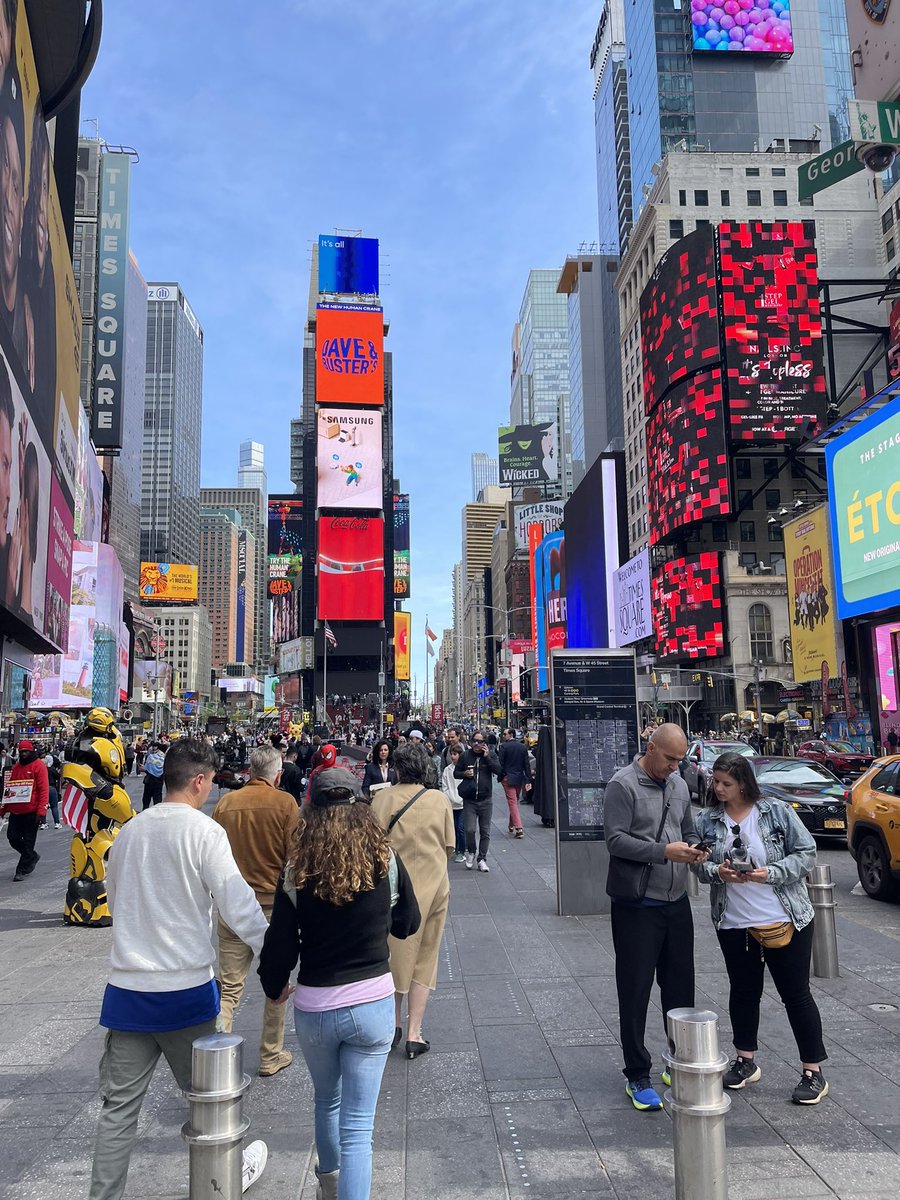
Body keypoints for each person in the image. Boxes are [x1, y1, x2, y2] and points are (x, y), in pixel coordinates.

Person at [88, 739, 271, 1199]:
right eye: (209, 782)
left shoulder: (129, 833)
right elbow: (238, 905)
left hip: (127, 994)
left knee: (117, 1112)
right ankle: (222, 1179)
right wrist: (274, 957)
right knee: (212, 1105)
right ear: (198, 781)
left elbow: (115, 893)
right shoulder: (204, 833)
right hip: (187, 993)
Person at [258, 767, 420, 1200]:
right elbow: (408, 923)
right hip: (371, 1005)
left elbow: (279, 946)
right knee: (359, 1126)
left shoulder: (297, 868)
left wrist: (274, 987)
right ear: (361, 807)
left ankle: (329, 1186)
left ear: (310, 809)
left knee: (326, 1101)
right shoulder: (384, 860)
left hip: (315, 1008)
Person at [694, 752, 828, 1105]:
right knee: (743, 991)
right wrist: (715, 872)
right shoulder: (708, 819)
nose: (719, 788)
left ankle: (813, 1071)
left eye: (726, 783)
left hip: (784, 916)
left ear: (744, 783)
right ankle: (745, 1060)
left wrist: (771, 872)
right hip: (734, 920)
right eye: (716, 782)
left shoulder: (775, 811)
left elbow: (806, 852)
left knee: (795, 994)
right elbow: (699, 863)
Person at [604, 723, 706, 1111]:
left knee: (680, 988)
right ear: (650, 748)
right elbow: (614, 839)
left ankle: (677, 1058)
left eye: (681, 761)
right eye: (669, 759)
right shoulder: (623, 784)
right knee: (635, 990)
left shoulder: (679, 785)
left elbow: (690, 828)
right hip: (637, 905)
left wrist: (697, 850)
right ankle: (636, 1073)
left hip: (676, 900)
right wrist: (664, 851)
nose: (675, 768)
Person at [212, 745, 299, 1077]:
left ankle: (218, 1053)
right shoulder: (285, 804)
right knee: (277, 983)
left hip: (232, 907)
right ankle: (270, 1054)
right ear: (277, 775)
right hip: (271, 910)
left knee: (230, 986)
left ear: (250, 771)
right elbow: (294, 860)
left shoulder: (225, 804)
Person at [371, 742, 455, 1058]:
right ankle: (415, 1033)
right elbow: (449, 845)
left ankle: (391, 1024)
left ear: (397, 768)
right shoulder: (439, 801)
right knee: (426, 957)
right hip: (434, 889)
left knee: (393, 955)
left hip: (392, 892)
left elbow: (374, 845)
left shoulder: (382, 799)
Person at [1, 738, 48, 880]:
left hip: (32, 811)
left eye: (26, 751)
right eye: (21, 751)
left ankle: (22, 870)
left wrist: (41, 811)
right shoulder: (16, 767)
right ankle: (31, 856)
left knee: (28, 841)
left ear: (31, 751)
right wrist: (3, 810)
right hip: (16, 811)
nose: (23, 754)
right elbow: (10, 789)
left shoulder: (39, 766)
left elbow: (44, 789)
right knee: (12, 838)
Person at [454, 728, 501, 871]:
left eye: (480, 741)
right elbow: (456, 773)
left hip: (486, 799)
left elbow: (499, 771)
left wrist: (487, 757)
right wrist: (465, 773)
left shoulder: (491, 755)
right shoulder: (465, 756)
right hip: (470, 800)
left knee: (485, 831)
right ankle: (472, 852)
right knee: (469, 829)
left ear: (484, 743)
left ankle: (482, 859)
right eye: (474, 741)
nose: (476, 744)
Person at [498, 727, 532, 838]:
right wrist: (528, 779)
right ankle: (512, 825)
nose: (503, 736)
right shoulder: (522, 747)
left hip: (507, 778)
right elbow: (526, 764)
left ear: (510, 735)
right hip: (519, 778)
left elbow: (501, 764)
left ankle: (519, 828)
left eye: (504, 734)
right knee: (514, 801)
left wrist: (501, 776)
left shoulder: (503, 747)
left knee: (512, 802)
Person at [440, 743, 466, 863]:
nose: (452, 756)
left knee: (461, 827)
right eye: (451, 754)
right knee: (453, 827)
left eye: (455, 754)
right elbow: (444, 785)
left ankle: (462, 850)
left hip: (461, 803)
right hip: (451, 803)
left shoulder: (464, 769)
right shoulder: (447, 770)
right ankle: (455, 848)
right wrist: (447, 796)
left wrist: (461, 797)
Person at [39, 744, 61, 829]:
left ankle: (43, 823)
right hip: (51, 788)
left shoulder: (39, 771)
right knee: (54, 806)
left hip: (42, 789)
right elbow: (58, 776)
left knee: (43, 806)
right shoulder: (51, 769)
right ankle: (57, 823)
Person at [141, 742, 165, 809]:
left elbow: (146, 768)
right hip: (159, 780)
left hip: (150, 780)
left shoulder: (151, 757)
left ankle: (145, 810)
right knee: (157, 797)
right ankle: (157, 811)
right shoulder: (164, 758)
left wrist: (144, 769)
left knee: (147, 797)